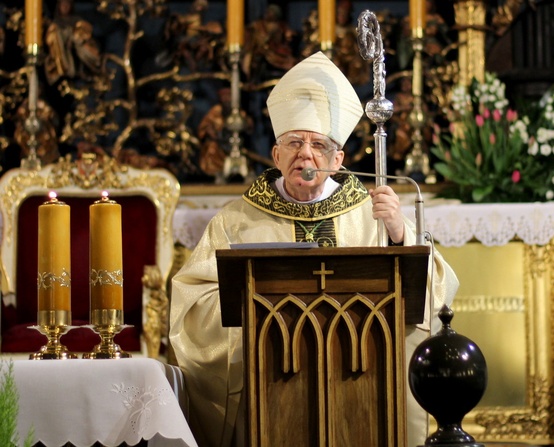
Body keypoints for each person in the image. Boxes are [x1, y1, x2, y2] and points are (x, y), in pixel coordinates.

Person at [169, 51, 459, 447]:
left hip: (359, 378)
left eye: (319, 145)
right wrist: (248, 305)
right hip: (271, 380)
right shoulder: (235, 221)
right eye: (294, 143)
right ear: (276, 155)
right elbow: (192, 304)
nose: (306, 154)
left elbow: (437, 289)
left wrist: (397, 234)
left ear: (338, 161)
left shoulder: (372, 215)